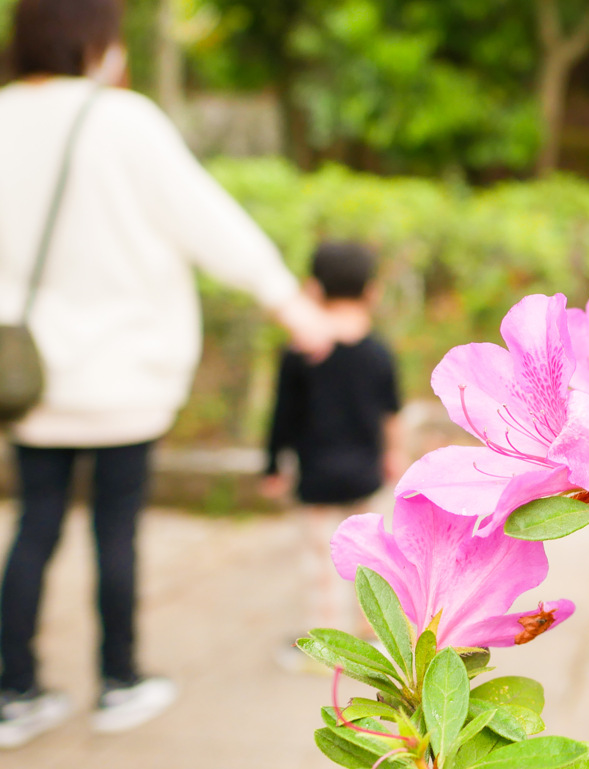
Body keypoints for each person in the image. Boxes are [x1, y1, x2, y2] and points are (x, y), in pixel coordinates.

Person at [0, 0, 334, 748]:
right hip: (123, 377)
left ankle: (11, 687)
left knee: (35, 526)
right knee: (115, 529)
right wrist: (289, 305)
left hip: (28, 378)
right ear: (99, 39)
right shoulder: (122, 121)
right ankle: (119, 680)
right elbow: (208, 222)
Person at [261, 241, 404, 666]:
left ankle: (324, 648)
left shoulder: (300, 353)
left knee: (320, 566)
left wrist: (272, 466)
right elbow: (391, 413)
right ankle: (374, 639)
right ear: (372, 291)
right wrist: (395, 454)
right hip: (366, 475)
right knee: (369, 559)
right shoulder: (378, 352)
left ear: (313, 289)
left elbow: (281, 416)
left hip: (317, 478)